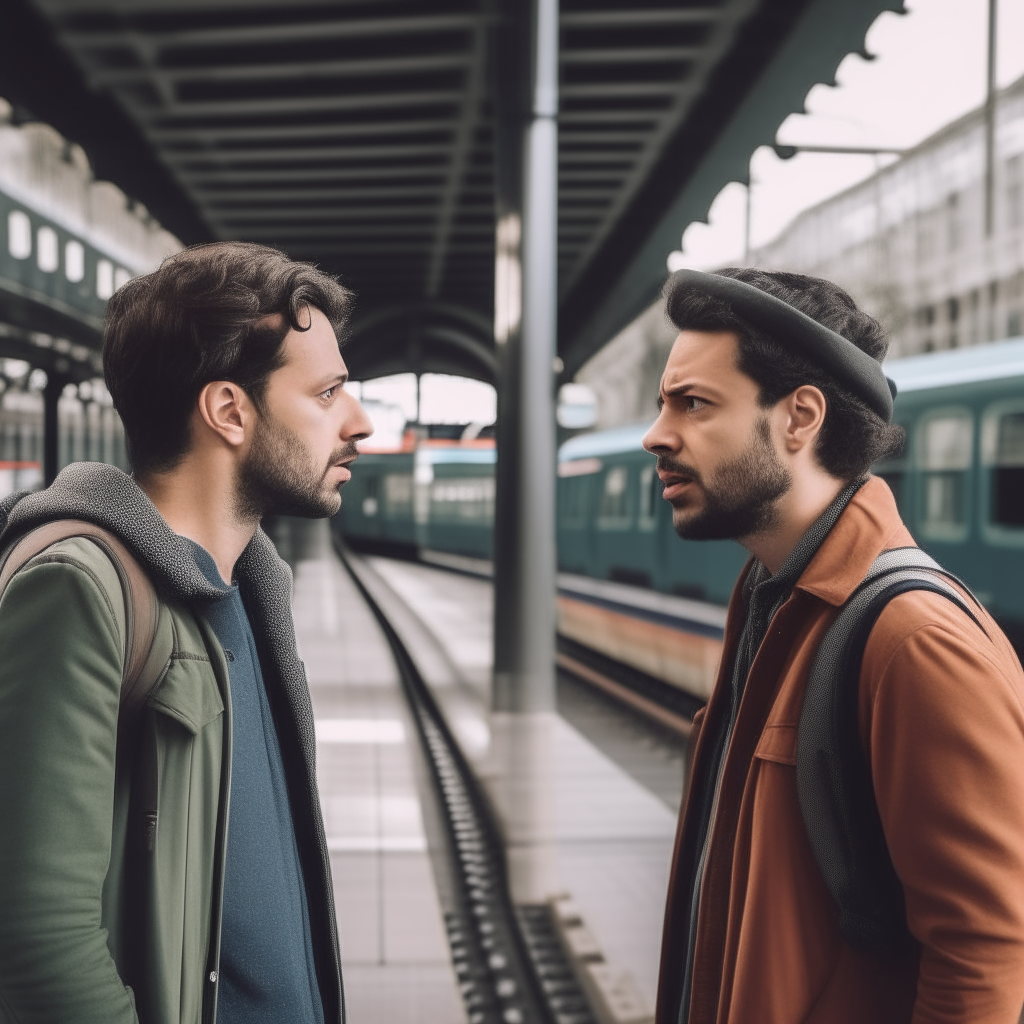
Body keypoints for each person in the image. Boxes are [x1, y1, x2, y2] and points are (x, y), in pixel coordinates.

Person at [0, 241, 372, 1023]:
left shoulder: (252, 592)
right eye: (329, 392)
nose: (360, 422)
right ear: (230, 411)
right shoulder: (80, 588)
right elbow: (34, 934)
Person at [644, 268, 1024, 1024]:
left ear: (800, 418)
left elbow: (986, 958)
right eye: (663, 404)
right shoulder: (771, 600)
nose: (658, 434)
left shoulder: (916, 642)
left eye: (694, 403)